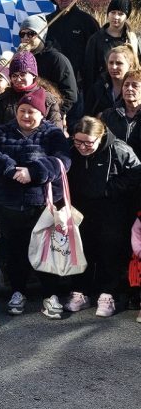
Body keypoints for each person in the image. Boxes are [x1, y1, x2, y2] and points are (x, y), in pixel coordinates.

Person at [0, 87, 73, 319]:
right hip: (9, 203)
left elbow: (62, 161)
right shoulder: (2, 132)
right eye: (22, 110)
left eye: (32, 112)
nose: (26, 116)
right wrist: (11, 169)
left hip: (42, 204)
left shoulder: (53, 134)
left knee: (46, 251)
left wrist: (34, 172)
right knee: (15, 251)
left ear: (42, 114)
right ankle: (18, 291)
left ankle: (50, 295)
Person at [64, 116, 141, 317]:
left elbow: (136, 173)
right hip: (81, 208)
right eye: (78, 141)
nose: (82, 147)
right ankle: (81, 291)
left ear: (100, 136)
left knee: (110, 250)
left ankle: (109, 294)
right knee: (82, 249)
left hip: (111, 208)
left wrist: (110, 189)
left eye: (88, 142)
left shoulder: (118, 149)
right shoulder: (71, 149)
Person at [44, 0, 100, 109]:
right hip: (50, 87)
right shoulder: (46, 22)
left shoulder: (88, 22)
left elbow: (97, 55)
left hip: (79, 88)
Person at [0, 49, 65, 141]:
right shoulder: (4, 98)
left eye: (22, 74)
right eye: (14, 75)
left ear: (33, 75)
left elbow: (57, 135)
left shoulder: (48, 99)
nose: (18, 79)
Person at [16, 15, 79, 126]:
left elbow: (70, 95)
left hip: (49, 120)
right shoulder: (18, 58)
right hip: (23, 117)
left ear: (41, 35)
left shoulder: (56, 59)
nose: (26, 37)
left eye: (31, 33)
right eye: (22, 34)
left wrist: (55, 115)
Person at [84, 0, 139, 102]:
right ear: (108, 14)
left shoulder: (132, 39)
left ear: (126, 16)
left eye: (121, 14)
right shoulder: (96, 39)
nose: (116, 17)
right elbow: (89, 72)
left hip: (127, 92)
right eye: (113, 12)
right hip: (102, 93)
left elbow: (137, 67)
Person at [100, 69, 141, 161]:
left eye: (135, 86)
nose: (129, 88)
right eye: (126, 85)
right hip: (115, 168)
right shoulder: (108, 115)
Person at [87, 46, 138, 120]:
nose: (113, 67)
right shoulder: (98, 87)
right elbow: (88, 115)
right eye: (111, 63)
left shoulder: (138, 88)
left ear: (130, 65)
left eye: (119, 63)